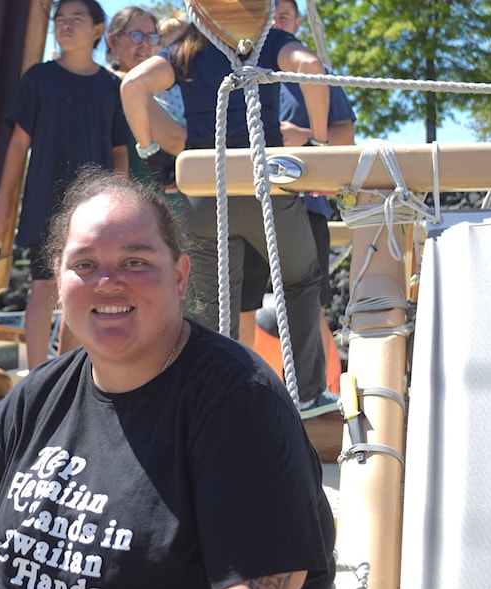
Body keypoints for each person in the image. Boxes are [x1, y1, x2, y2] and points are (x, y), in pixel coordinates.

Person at [0, 167, 336, 589]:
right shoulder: (36, 396)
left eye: (135, 262)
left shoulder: (239, 404)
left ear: (181, 276)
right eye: (84, 264)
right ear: (59, 282)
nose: (107, 282)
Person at [121, 20, 339, 418]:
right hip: (264, 187)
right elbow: (310, 68)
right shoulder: (267, 40)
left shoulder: (189, 47)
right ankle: (307, 394)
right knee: (300, 278)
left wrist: (151, 154)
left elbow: (131, 85)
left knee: (211, 300)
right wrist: (318, 145)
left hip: (206, 188)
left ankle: (210, 396)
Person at [0, 0, 129, 370]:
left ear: (99, 30)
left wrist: (119, 204)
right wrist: (3, 204)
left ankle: (65, 376)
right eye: (60, 19)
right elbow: (18, 145)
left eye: (76, 19)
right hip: (43, 199)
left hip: (94, 208)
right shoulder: (38, 78)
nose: (65, 25)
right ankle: (36, 379)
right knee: (44, 287)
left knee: (81, 289)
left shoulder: (112, 87)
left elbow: (120, 151)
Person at [239, 0, 357, 393]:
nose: (275, 22)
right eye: (269, 16)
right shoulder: (235, 74)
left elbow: (345, 139)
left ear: (296, 22)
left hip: (306, 208)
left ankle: (324, 393)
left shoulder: (316, 76)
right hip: (245, 207)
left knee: (310, 308)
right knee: (241, 306)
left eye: (284, 16)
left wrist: (303, 139)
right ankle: (242, 392)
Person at [104, 6, 184, 196]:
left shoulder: (168, 93)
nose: (145, 45)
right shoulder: (104, 85)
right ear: (112, 41)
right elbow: (178, 142)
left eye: (151, 37)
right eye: (136, 36)